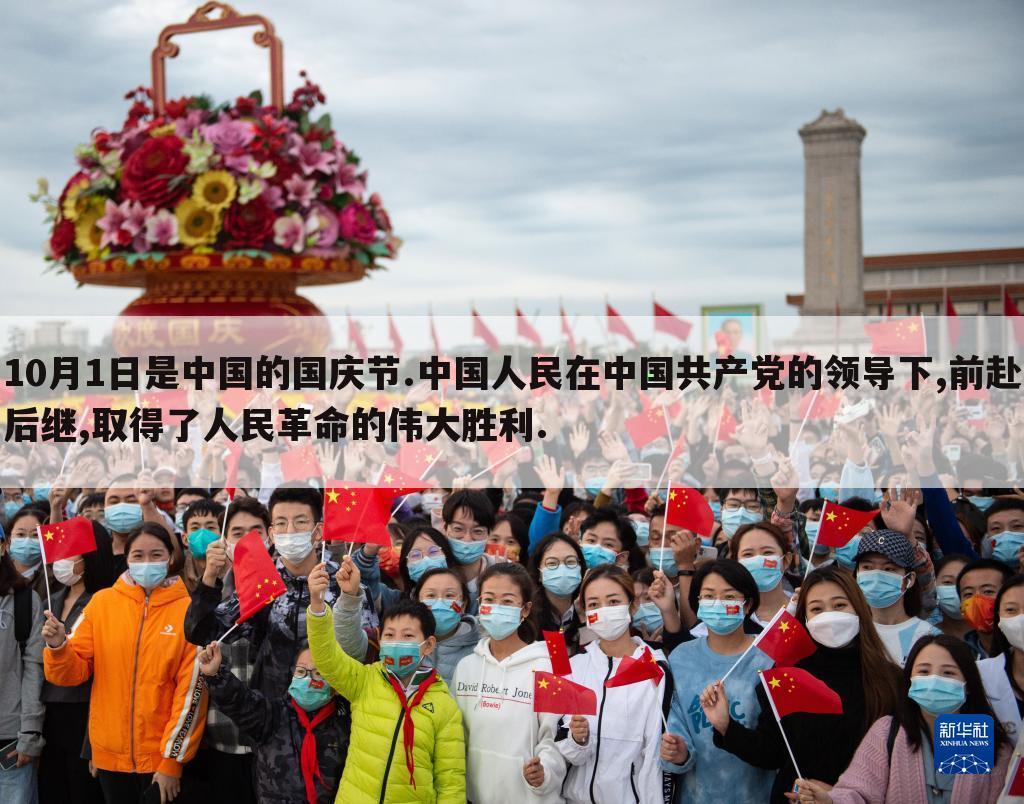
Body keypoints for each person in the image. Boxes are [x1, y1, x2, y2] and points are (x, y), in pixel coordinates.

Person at [42, 522, 208, 804]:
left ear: (170, 557)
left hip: (160, 760)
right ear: (126, 558)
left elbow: (191, 691)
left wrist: (171, 761)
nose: (147, 562)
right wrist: (58, 646)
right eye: (138, 555)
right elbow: (72, 673)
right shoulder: (101, 604)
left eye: (156, 555)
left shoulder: (189, 610)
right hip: (108, 758)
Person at [708, 565, 902, 803]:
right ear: (806, 618)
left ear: (858, 608)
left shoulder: (892, 680)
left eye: (839, 605)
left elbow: (905, 762)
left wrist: (838, 796)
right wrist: (726, 726)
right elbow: (772, 753)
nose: (829, 615)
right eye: (817, 609)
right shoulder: (788, 675)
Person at [306, 559, 466, 802]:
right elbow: (327, 658)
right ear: (380, 638)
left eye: (408, 635)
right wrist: (317, 605)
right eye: (390, 635)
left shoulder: (445, 707)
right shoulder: (365, 680)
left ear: (428, 645)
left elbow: (450, 781)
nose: (396, 642)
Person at [795, 635, 1011, 803]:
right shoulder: (888, 731)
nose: (934, 680)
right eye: (924, 671)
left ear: (969, 683)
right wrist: (830, 800)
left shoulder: (981, 737)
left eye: (948, 673)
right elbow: (859, 794)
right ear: (909, 681)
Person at [184, 486, 344, 699]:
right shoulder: (261, 583)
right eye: (281, 523)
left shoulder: (344, 583)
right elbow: (202, 632)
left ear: (318, 531)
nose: (290, 530)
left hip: (335, 712)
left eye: (301, 522)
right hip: (274, 715)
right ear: (272, 533)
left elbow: (363, 651)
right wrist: (210, 578)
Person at [660, 560, 774, 803]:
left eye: (729, 596)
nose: (719, 603)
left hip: (756, 795)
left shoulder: (768, 658)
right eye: (709, 596)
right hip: (696, 795)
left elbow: (775, 743)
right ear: (698, 603)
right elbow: (677, 721)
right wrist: (678, 753)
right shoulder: (682, 657)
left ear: (747, 604)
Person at [453, 562, 567, 803]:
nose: (496, 608)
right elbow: (454, 737)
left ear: (524, 609)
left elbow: (555, 737)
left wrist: (543, 773)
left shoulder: (550, 664)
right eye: (489, 599)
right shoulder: (466, 667)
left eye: (507, 601)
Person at [181, 496, 270, 804]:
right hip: (225, 736)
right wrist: (210, 578)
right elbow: (197, 631)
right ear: (225, 540)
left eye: (256, 531)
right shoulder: (220, 589)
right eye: (237, 532)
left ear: (270, 535)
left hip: (276, 736)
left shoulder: (286, 584)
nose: (248, 540)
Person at [556, 565, 666, 803]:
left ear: (632, 605)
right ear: (585, 614)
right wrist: (577, 739)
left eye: (613, 601)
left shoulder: (654, 669)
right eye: (594, 604)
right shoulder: (575, 667)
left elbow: (653, 758)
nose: (604, 610)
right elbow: (562, 738)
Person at [196, 639, 351, 804]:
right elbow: (240, 701)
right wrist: (216, 674)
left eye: (318, 673)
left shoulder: (347, 721)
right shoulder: (272, 715)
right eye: (300, 671)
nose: (308, 679)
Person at [37, 523, 117, 804]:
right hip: (50, 709)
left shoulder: (102, 601)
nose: (64, 560)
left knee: (83, 790)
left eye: (73, 553)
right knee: (53, 787)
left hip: (85, 709)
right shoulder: (51, 599)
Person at [0, 526, 45, 804]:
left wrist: (30, 731)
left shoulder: (25, 600)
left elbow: (33, 670)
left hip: (9, 741)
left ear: (3, 546)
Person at [853, 529, 939, 666]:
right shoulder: (849, 631)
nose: (876, 575)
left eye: (889, 569)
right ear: (857, 574)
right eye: (867, 567)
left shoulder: (928, 635)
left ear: (909, 579)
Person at [978, 574, 1024, 745]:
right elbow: (961, 764)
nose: (1021, 618)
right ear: (999, 620)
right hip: (993, 772)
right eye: (1011, 610)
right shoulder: (978, 675)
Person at [412, 567, 478, 685]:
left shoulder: (480, 650)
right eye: (431, 596)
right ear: (417, 602)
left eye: (449, 596)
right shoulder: (405, 646)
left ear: (463, 605)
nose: (440, 602)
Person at [441, 490, 498, 613]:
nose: (467, 539)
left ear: (489, 533)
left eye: (477, 531)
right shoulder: (433, 571)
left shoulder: (501, 573)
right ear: (445, 528)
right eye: (458, 529)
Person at [528, 533, 585, 654]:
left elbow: (595, 654)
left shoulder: (589, 608)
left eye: (570, 562)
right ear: (539, 573)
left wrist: (584, 621)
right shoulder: (528, 615)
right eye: (552, 563)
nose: (562, 569)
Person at [730, 521, 797, 625]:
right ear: (736, 564)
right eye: (748, 554)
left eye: (768, 552)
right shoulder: (728, 617)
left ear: (786, 560)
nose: (758, 559)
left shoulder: (804, 609)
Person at [958, 558, 1013, 659]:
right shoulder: (960, 657)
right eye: (968, 594)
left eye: (988, 591)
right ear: (961, 606)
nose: (977, 600)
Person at [179, 498, 224, 592]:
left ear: (224, 536)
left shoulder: (235, 573)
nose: (202, 533)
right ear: (185, 539)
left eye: (210, 527)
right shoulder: (178, 572)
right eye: (195, 528)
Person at [933, 554, 971, 642]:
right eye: (948, 582)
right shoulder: (924, 634)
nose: (957, 589)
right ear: (934, 586)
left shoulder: (992, 636)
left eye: (964, 582)